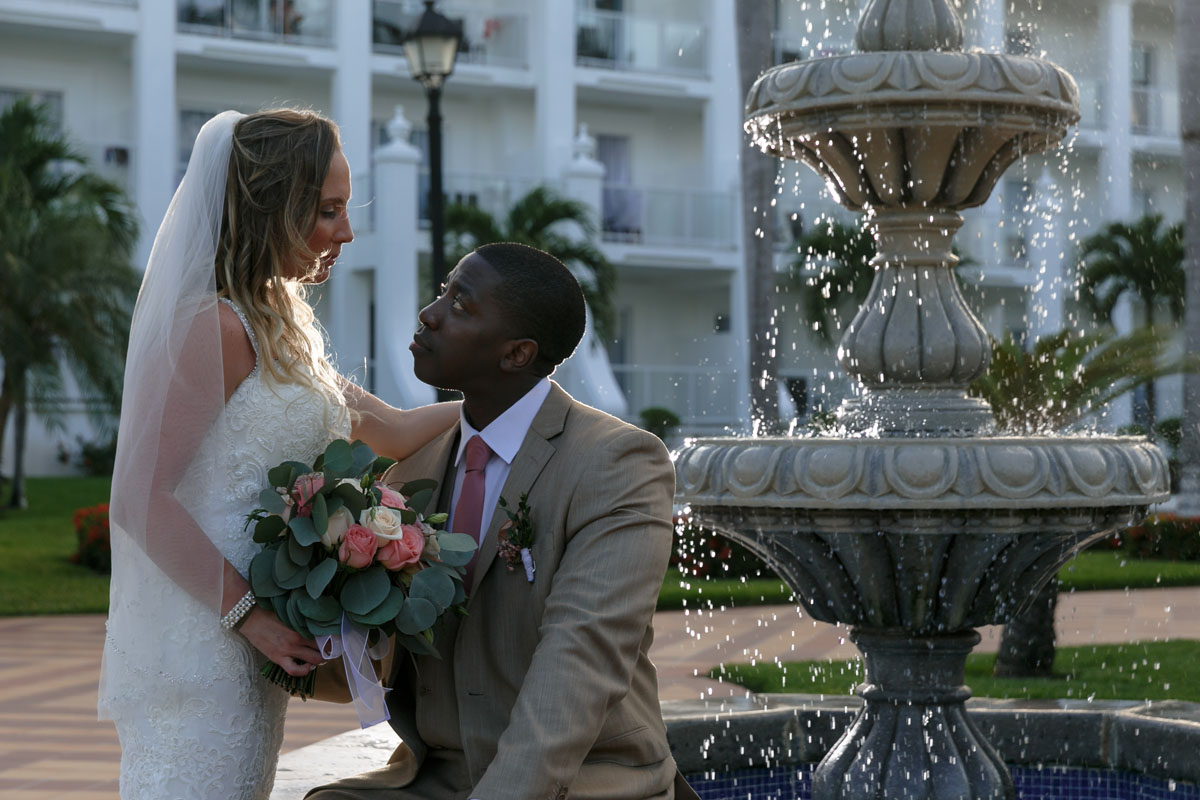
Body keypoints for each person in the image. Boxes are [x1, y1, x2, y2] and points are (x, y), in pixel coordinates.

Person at [98, 108, 459, 800]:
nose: (347, 230)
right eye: (328, 211)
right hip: (210, 639)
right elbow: (139, 497)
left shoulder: (274, 323)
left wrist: (530, 405)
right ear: (272, 210)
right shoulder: (214, 326)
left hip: (250, 644)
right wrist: (250, 618)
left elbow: (394, 427)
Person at [308, 242, 698, 800]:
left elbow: (580, 661)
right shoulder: (410, 471)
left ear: (517, 354)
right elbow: (361, 670)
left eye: (461, 305)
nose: (431, 312)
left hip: (587, 778)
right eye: (444, 290)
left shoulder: (618, 463)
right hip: (439, 776)